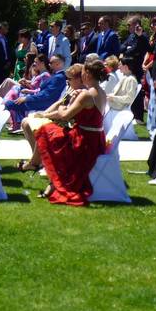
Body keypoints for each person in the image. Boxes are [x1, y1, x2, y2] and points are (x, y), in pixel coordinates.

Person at [30, 60, 110, 206]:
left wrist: (64, 106)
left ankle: (44, 172)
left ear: (87, 74)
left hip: (84, 141)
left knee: (46, 131)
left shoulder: (86, 95)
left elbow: (65, 115)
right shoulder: (101, 92)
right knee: (53, 133)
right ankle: (49, 180)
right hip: (95, 138)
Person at [17, 63, 85, 172]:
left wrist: (44, 115)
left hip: (69, 125)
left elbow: (65, 114)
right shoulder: (72, 89)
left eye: (70, 79)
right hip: (60, 120)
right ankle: (41, 160)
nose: (68, 81)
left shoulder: (80, 93)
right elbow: (59, 103)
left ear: (79, 79)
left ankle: (36, 162)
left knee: (42, 129)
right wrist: (44, 113)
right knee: (26, 122)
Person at [5, 55, 69, 131]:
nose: (48, 64)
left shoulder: (58, 77)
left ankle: (17, 125)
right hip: (41, 100)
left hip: (43, 103)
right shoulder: (57, 76)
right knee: (14, 99)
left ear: (58, 64)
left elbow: (46, 95)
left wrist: (27, 98)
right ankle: (18, 124)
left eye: (51, 62)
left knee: (9, 104)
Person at [121, 16, 150, 120]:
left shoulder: (142, 36)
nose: (128, 27)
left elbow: (136, 49)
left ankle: (138, 116)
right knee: (129, 91)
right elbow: (122, 47)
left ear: (137, 24)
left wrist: (128, 49)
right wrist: (128, 49)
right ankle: (132, 114)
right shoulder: (131, 36)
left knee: (137, 92)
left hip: (136, 67)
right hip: (128, 68)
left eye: (130, 25)